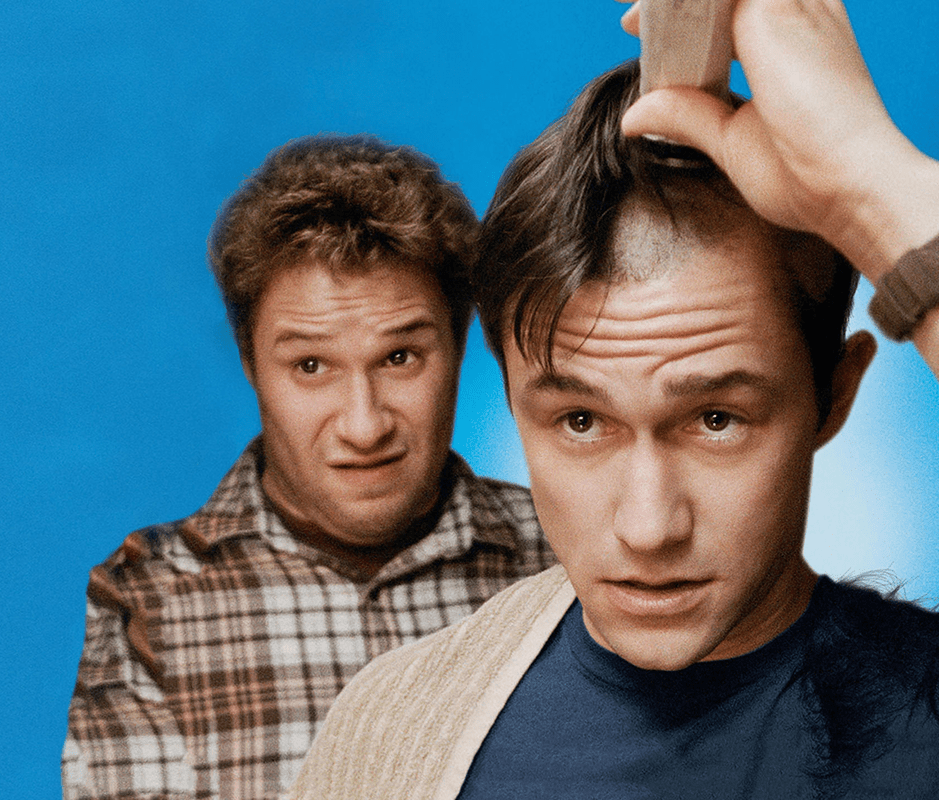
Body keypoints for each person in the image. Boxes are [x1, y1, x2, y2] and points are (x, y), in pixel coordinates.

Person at [289, 2, 939, 798]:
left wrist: (872, 185)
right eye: (581, 421)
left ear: (833, 395)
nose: (648, 527)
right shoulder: (388, 735)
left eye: (715, 419)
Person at [61, 135, 556, 799]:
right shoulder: (151, 598)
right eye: (311, 366)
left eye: (401, 358)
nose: (364, 424)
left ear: (462, 349)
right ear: (252, 369)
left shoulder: (566, 554)